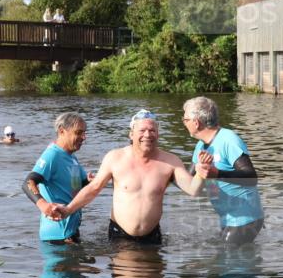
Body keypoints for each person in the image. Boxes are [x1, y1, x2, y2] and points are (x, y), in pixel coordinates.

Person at [54, 110, 210, 245]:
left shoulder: (171, 161)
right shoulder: (115, 158)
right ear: (131, 134)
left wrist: (201, 173)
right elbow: (93, 189)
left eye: (152, 130)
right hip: (120, 236)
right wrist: (68, 210)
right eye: (142, 130)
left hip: (152, 237)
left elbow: (192, 189)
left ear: (158, 134)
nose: (147, 135)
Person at [181, 97, 264, 246]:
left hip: (246, 217)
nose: (183, 123)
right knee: (222, 259)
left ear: (196, 122)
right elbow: (188, 182)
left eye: (185, 119)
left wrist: (217, 174)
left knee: (226, 259)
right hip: (228, 217)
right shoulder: (200, 146)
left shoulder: (228, 140)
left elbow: (251, 177)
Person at [23, 113, 90, 243]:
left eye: (84, 133)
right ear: (62, 131)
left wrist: (89, 181)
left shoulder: (71, 157)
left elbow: (77, 189)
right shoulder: (52, 155)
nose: (84, 137)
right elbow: (28, 182)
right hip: (57, 237)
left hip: (70, 231)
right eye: (79, 132)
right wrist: (44, 205)